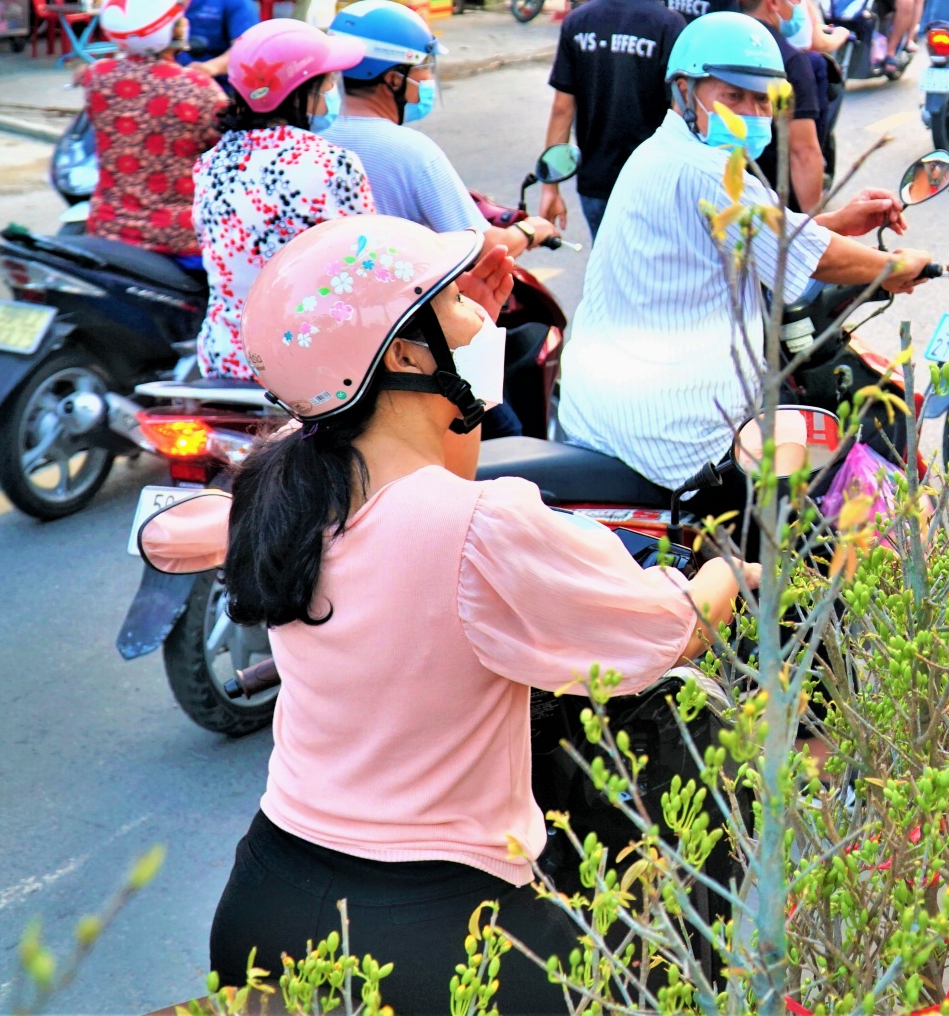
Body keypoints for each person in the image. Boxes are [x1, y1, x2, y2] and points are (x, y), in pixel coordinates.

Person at [195, 212, 755, 1011]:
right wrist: (722, 574)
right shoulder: (480, 527)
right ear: (406, 354)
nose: (483, 317)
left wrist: (459, 341)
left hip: (264, 901)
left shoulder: (279, 481)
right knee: (664, 981)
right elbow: (669, 629)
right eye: (457, 304)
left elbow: (429, 458)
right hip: (433, 931)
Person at [554, 13, 934, 494]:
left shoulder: (660, 151)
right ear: (684, 91)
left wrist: (838, 222)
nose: (749, 113)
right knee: (803, 517)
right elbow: (815, 259)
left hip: (602, 408)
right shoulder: (705, 168)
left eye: (760, 100)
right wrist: (894, 267)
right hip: (678, 438)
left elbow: (751, 234)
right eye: (732, 96)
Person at [191, 20, 374, 381]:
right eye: (327, 84)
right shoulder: (332, 162)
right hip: (309, 368)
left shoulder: (209, 163)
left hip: (224, 358)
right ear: (301, 93)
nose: (331, 93)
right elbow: (364, 266)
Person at [322, 0, 555, 259]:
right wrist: (529, 231)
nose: (426, 79)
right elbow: (483, 248)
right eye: (422, 68)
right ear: (394, 80)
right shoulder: (412, 153)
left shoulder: (311, 137)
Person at [536, 0, 688, 239]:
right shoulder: (668, 25)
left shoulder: (579, 21)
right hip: (652, 187)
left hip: (595, 186)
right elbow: (681, 113)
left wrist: (550, 187)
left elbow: (562, 108)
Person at [82, 0, 224, 257]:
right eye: (179, 16)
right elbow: (229, 154)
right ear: (169, 27)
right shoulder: (199, 89)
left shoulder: (97, 78)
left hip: (107, 230)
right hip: (180, 240)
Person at [736, 0, 832, 213]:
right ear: (775, 2)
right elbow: (803, 151)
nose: (802, 6)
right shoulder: (789, 60)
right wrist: (814, 230)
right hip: (771, 211)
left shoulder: (719, 42)